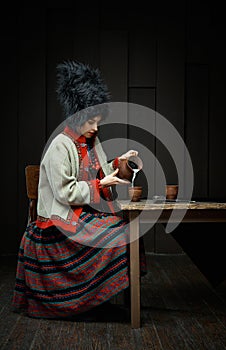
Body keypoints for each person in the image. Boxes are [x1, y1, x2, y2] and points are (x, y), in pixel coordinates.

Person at [12, 60, 147, 322]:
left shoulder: (90, 142)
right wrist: (101, 185)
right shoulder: (60, 146)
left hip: (81, 214)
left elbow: (100, 170)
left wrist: (121, 162)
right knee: (118, 233)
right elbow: (65, 194)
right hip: (58, 223)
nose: (96, 127)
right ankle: (83, 302)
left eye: (98, 121)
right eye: (92, 121)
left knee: (129, 228)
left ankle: (97, 300)